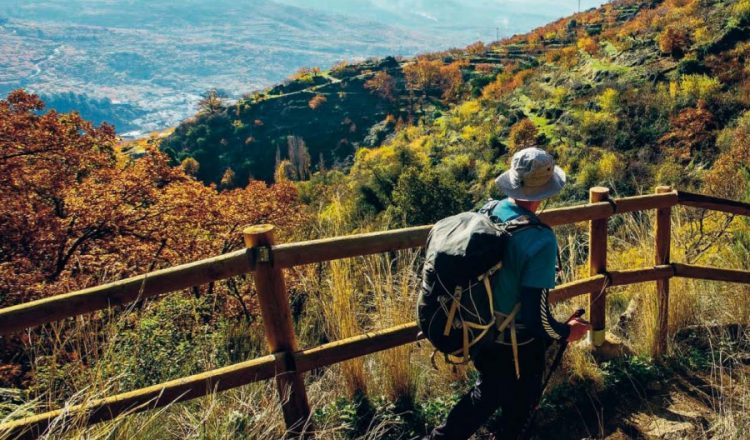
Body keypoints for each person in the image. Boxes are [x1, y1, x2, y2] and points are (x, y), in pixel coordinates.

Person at [426, 147, 591, 440]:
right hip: (516, 341)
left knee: (488, 393)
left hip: (479, 327)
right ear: (546, 191)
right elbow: (535, 316)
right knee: (517, 404)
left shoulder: (489, 209)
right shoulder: (540, 240)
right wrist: (566, 332)